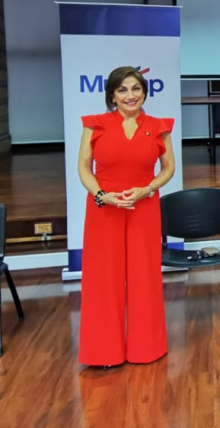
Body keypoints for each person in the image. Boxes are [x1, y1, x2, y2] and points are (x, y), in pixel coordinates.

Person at [77, 66, 176, 366]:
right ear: (112, 95)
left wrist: (147, 189)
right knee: (103, 279)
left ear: (145, 92)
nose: (130, 95)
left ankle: (146, 348)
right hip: (104, 208)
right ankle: (102, 352)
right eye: (122, 90)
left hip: (143, 207)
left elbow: (168, 168)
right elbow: (84, 167)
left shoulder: (159, 126)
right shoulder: (95, 125)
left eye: (136, 89)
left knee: (144, 276)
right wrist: (101, 195)